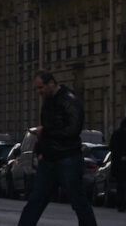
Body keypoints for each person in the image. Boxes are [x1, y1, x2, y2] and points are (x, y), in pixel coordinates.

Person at [18, 71, 98, 226]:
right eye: (37, 88)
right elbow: (49, 128)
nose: (39, 92)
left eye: (41, 87)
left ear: (51, 83)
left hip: (67, 157)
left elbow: (73, 130)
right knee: (36, 200)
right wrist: (41, 151)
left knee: (77, 199)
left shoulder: (69, 100)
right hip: (50, 158)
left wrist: (45, 132)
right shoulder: (49, 101)